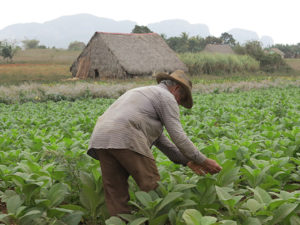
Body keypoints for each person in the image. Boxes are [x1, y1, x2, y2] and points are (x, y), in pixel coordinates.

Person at [87, 70, 222, 216]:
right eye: (180, 98)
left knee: (115, 193)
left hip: (101, 138)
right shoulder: (166, 97)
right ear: (176, 89)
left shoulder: (143, 93)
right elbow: (179, 137)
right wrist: (203, 160)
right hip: (127, 135)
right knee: (151, 186)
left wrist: (188, 161)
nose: (178, 103)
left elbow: (165, 144)